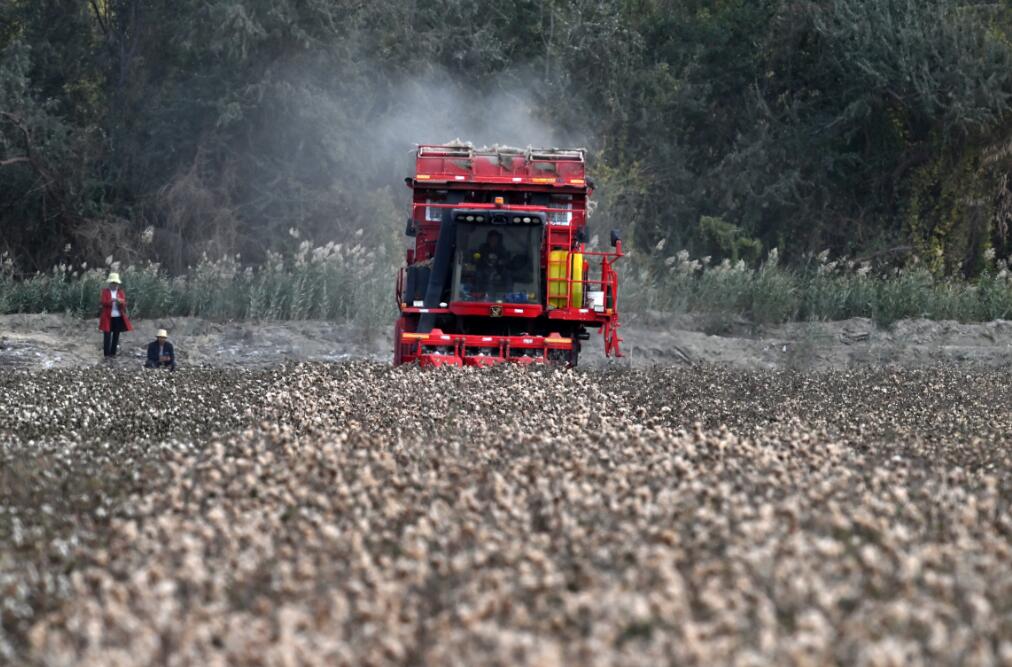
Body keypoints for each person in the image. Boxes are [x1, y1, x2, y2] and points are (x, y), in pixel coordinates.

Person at [98, 272, 132, 359]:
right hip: (107, 317)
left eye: (116, 283)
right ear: (110, 283)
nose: (115, 285)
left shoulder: (120, 292)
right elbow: (103, 302)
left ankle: (113, 354)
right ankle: (106, 354)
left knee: (116, 336)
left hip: (118, 316)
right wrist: (112, 301)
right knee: (107, 336)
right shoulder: (105, 292)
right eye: (113, 283)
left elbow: (124, 304)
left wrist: (120, 302)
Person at [473, 230, 514, 296]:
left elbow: (506, 259)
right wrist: (477, 258)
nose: (493, 240)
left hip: (498, 269)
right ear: (488, 239)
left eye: (495, 238)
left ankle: (509, 295)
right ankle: (479, 294)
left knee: (508, 274)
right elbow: (477, 256)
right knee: (478, 274)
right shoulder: (483, 247)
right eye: (492, 238)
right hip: (484, 268)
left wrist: (502, 262)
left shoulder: (501, 248)